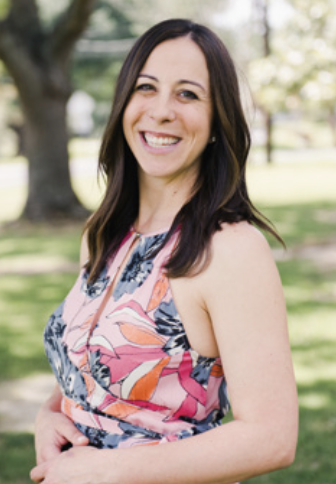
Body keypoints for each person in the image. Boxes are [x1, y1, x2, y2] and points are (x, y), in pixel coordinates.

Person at [30, 18, 298, 484]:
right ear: (124, 105)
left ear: (218, 121)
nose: (161, 111)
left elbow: (272, 436)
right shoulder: (103, 235)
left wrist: (110, 471)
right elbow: (92, 370)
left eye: (188, 94)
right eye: (146, 88)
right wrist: (49, 415)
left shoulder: (229, 249)